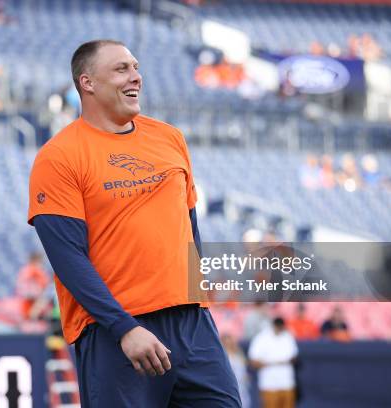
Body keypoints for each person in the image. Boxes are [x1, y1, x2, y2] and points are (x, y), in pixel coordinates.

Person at [28, 40, 241, 407]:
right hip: (116, 333)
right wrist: (123, 328)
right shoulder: (58, 157)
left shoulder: (169, 138)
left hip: (192, 326)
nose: (136, 77)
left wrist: (197, 302)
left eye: (136, 67)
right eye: (121, 69)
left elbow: (189, 227)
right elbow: (68, 259)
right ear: (87, 83)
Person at [248, 317, 298, 408]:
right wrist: (271, 363)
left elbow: (294, 356)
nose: (280, 329)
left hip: (287, 383)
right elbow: (253, 361)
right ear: (273, 326)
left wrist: (283, 362)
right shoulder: (261, 338)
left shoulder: (288, 336)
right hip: (269, 384)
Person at [16, 251, 50, 319]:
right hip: (32, 301)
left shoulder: (26, 269)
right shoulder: (34, 270)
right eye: (40, 261)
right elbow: (45, 283)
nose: (42, 263)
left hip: (28, 301)